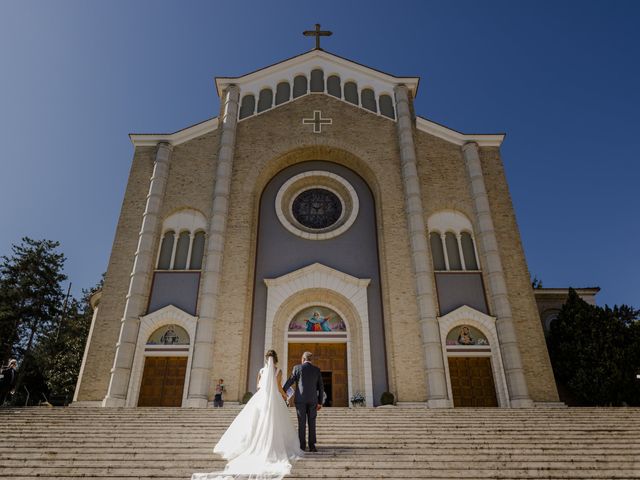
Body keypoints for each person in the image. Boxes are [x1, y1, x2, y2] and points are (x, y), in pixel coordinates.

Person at [191, 350, 302, 480]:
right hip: (274, 399)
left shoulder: (261, 371)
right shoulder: (278, 371)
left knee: (257, 422)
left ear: (266, 359)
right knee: (275, 422)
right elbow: (278, 387)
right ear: (276, 359)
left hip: (261, 399)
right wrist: (285, 396)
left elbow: (258, 387)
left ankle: (254, 443)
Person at [283, 351, 324, 452]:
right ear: (310, 360)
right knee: (312, 422)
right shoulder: (316, 370)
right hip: (313, 400)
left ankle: (302, 446)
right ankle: (312, 446)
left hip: (300, 400)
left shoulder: (297, 368)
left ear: (303, 359)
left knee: (301, 423)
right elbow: (321, 387)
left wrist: (282, 391)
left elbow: (290, 381)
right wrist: (320, 402)